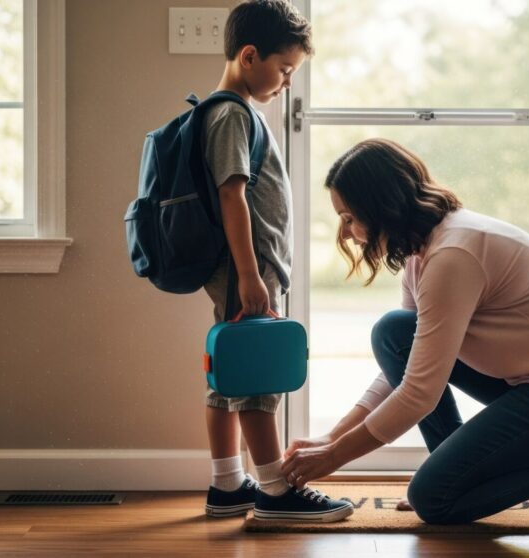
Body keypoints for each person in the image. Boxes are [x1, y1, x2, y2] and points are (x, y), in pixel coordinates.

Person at [281, 138, 529, 524]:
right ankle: (454, 476)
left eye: (349, 217)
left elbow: (418, 393)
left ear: (381, 207)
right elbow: (409, 366)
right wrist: (331, 438)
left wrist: (335, 456)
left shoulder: (454, 254)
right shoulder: (421, 257)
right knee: (394, 332)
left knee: (433, 499)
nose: (347, 233)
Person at [201, 0, 352, 523]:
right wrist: (249, 275)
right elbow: (231, 196)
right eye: (284, 69)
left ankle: (228, 486)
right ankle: (274, 492)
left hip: (246, 270)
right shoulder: (231, 115)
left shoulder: (233, 113)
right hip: (249, 270)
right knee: (258, 381)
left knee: (230, 378)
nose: (287, 81)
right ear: (249, 56)